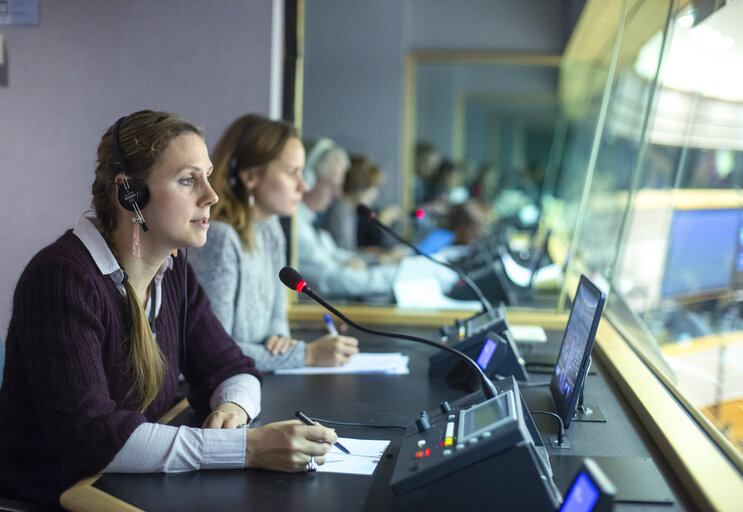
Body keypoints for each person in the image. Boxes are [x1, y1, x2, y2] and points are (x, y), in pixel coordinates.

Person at [0, 111, 337, 509]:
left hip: (129, 487)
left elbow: (233, 366)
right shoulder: (60, 278)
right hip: (56, 499)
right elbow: (90, 438)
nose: (211, 195)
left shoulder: (173, 271)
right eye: (188, 180)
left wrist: (233, 407)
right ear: (131, 195)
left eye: (208, 176)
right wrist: (248, 449)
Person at [189, 114, 359, 371]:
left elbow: (277, 319)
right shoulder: (220, 239)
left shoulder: (271, 230)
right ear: (250, 176)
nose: (303, 186)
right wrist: (305, 355)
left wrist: (280, 337)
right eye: (293, 173)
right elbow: (213, 350)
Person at [296, 138, 399, 299]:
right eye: (332, 185)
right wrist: (394, 278)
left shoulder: (308, 220)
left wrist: (372, 261)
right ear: (308, 179)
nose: (338, 194)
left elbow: (334, 254)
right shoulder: (297, 226)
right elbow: (331, 278)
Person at [321, 154, 404, 263]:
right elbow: (343, 256)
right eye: (373, 188)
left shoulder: (350, 210)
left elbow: (349, 251)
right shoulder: (340, 209)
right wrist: (379, 258)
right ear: (359, 186)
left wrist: (372, 253)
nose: (375, 195)